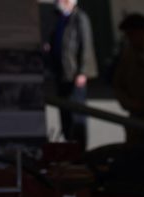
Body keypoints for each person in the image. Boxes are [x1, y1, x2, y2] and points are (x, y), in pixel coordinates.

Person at [47, 0, 97, 147]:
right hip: (62, 73)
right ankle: (68, 144)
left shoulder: (80, 17)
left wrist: (83, 72)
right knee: (65, 111)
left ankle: (79, 146)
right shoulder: (61, 18)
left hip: (74, 74)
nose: (57, 2)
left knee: (77, 112)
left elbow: (86, 45)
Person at [112, 14, 144, 144]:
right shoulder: (129, 55)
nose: (130, 39)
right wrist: (130, 103)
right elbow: (118, 84)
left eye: (131, 34)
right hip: (137, 117)